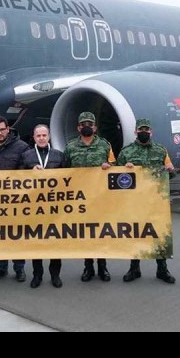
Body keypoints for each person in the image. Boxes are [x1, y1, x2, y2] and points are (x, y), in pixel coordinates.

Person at [117, 118, 177, 284]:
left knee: (159, 234)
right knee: (135, 233)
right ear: (135, 132)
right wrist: (125, 169)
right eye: (141, 130)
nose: (144, 132)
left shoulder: (160, 150)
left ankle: (162, 269)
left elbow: (170, 173)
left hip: (156, 201)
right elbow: (116, 177)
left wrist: (170, 170)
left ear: (151, 132)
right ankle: (134, 268)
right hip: (135, 201)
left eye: (146, 130)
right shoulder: (126, 152)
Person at [64, 112, 117, 282]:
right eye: (83, 124)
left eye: (90, 124)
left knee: (101, 233)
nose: (86, 127)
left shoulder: (105, 145)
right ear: (78, 127)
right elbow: (64, 171)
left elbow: (115, 166)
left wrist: (109, 166)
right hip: (80, 200)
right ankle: (88, 267)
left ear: (95, 127)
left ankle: (102, 267)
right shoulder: (71, 147)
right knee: (85, 234)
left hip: (100, 198)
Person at [0, 115, 29, 282]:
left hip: (15, 201)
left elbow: (26, 172)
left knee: (17, 236)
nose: (0, 133)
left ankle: (19, 268)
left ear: (8, 129)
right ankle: (1, 267)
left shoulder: (22, 147)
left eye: (3, 129)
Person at [20, 124, 66, 288]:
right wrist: (30, 172)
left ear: (49, 137)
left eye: (44, 135)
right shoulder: (26, 156)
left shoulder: (58, 155)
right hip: (34, 207)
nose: (41, 138)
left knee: (55, 242)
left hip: (55, 207)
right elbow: (16, 178)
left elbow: (69, 179)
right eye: (38, 135)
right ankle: (37, 275)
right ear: (34, 137)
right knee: (37, 242)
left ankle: (55, 275)